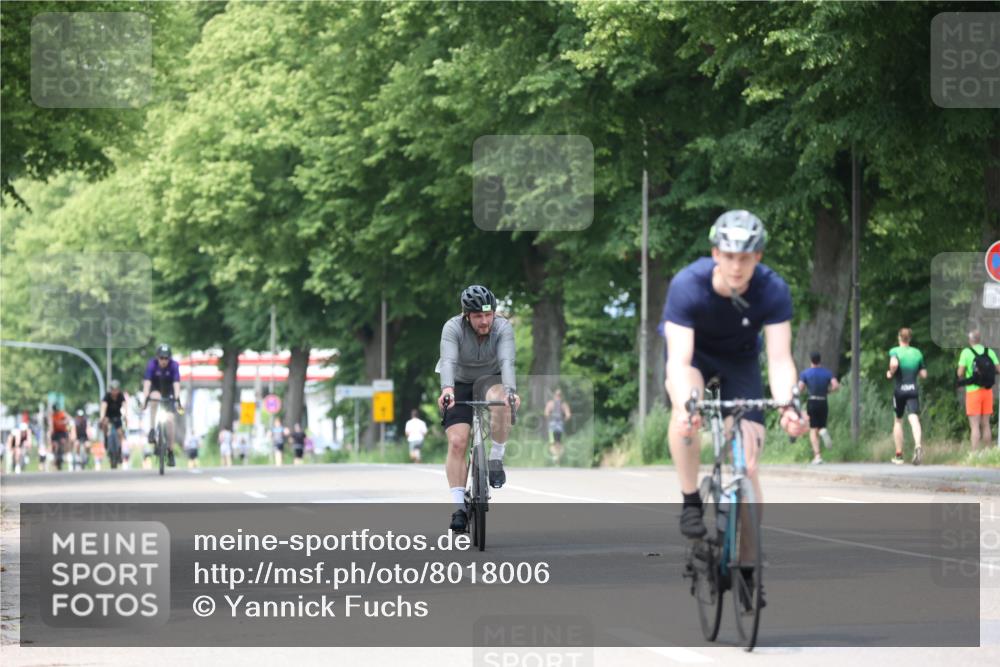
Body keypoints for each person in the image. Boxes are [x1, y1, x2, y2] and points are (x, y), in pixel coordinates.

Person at [662, 210, 807, 544]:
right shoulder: (687, 285)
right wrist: (687, 406)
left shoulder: (773, 290)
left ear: (758, 256)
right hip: (694, 357)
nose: (737, 267)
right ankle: (690, 501)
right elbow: (680, 362)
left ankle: (748, 562)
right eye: (728, 257)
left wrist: (788, 406)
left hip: (740, 360)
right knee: (685, 412)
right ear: (715, 254)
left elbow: (780, 359)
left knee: (747, 455)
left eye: (745, 258)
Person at [437, 284, 521, 533]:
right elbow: (449, 361)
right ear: (467, 316)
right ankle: (459, 508)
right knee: (457, 442)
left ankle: (495, 457)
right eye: (478, 316)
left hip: (490, 379)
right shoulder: (453, 328)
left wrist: (510, 391)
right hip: (459, 383)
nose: (485, 321)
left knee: (502, 402)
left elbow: (507, 361)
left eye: (488, 315)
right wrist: (447, 390)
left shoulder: (502, 327)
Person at [886, 327, 927, 465]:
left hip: (900, 390)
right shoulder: (917, 353)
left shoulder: (895, 351)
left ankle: (899, 455)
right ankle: (918, 445)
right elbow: (923, 374)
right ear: (910, 338)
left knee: (898, 420)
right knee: (914, 417)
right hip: (913, 389)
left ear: (899, 337)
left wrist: (890, 373)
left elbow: (894, 364)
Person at [956, 328, 999, 451]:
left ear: (970, 340)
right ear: (980, 340)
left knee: (974, 426)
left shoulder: (966, 352)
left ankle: (974, 455)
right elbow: (998, 369)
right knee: (986, 424)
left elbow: (960, 373)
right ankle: (987, 453)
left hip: (973, 392)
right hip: (987, 391)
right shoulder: (989, 351)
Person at [142, 343, 182, 467]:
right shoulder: (152, 365)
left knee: (170, 421)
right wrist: (145, 399)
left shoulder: (174, 366)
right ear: (157, 357)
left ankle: (170, 451)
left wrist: (177, 399)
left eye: (166, 358)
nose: (164, 360)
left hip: (168, 392)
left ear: (169, 358)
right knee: (154, 398)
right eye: (161, 358)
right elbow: (147, 383)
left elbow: (176, 384)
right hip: (156, 389)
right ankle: (152, 430)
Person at [798, 352, 840, 464]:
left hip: (812, 401)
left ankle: (817, 456)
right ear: (820, 360)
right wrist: (828, 391)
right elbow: (836, 385)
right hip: (823, 401)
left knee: (812, 429)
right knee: (821, 426)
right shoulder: (827, 373)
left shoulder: (806, 373)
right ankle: (823, 431)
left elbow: (800, 388)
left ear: (811, 360)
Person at [99, 380, 128, 469]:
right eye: (113, 390)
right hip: (108, 416)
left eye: (116, 390)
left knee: (120, 433)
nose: (115, 392)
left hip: (117, 417)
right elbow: (103, 407)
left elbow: (125, 406)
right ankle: (106, 439)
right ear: (110, 390)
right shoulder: (107, 396)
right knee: (105, 423)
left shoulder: (121, 396)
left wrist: (126, 415)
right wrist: (102, 417)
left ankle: (119, 450)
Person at [544, 388, 572, 464]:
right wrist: (563, 420)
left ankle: (556, 456)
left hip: (554, 425)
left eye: (558, 395)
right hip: (558, 425)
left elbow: (546, 413)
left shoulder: (552, 404)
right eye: (557, 395)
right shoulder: (562, 404)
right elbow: (568, 415)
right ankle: (557, 456)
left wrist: (550, 418)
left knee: (556, 443)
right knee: (555, 443)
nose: (558, 396)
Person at [49, 404, 72, 471]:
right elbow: (51, 425)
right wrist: (50, 432)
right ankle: (55, 457)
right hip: (55, 432)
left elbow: (69, 418)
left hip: (62, 432)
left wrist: (63, 422)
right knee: (55, 445)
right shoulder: (52, 415)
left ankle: (64, 454)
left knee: (63, 442)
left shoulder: (62, 413)